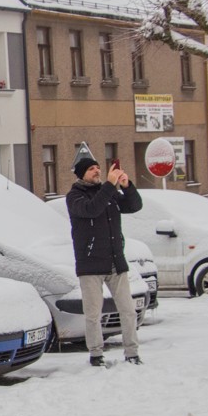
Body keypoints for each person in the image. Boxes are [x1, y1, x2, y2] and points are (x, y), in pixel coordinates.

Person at [66, 157, 144, 367]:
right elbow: (92, 209)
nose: (97, 171)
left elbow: (134, 206)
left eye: (98, 168)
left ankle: (132, 353)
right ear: (81, 174)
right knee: (93, 314)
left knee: (128, 310)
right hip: (90, 264)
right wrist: (110, 185)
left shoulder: (108, 193)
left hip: (115, 261)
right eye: (91, 169)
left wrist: (126, 186)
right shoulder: (75, 196)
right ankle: (96, 354)